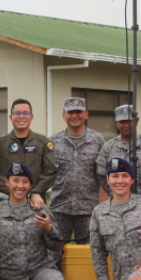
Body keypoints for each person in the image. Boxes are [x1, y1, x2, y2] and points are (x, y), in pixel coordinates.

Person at [47, 97, 106, 243]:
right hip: (60, 207)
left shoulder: (97, 140)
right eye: (70, 111)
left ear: (86, 114)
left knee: (88, 254)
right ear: (63, 115)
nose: (74, 115)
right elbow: (46, 172)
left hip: (88, 210)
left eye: (78, 111)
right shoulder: (53, 141)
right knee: (56, 253)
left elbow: (103, 174)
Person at [0, 98, 57, 203]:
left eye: (26, 113)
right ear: (11, 117)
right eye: (17, 113)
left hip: (35, 203)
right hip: (6, 203)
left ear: (31, 117)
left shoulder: (42, 142)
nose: (21, 116)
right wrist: (16, 193)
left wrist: (35, 192)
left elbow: (51, 171)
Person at [95, 104, 141, 197]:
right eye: (122, 121)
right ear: (116, 123)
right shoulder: (108, 147)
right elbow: (101, 174)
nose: (126, 125)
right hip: (119, 203)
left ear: (137, 120)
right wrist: (113, 192)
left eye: (129, 121)